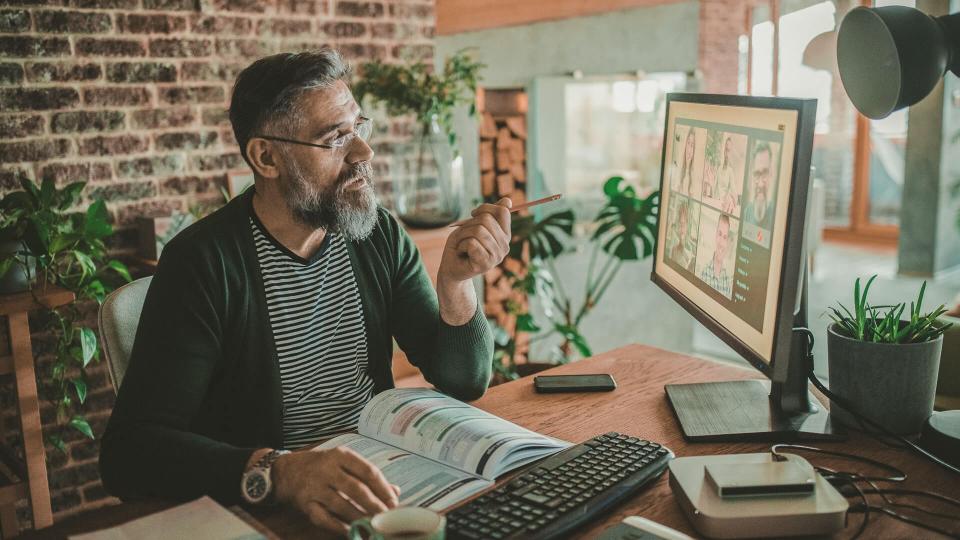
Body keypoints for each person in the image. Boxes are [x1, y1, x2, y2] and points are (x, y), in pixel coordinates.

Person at [99, 49, 509, 536]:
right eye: (336, 138)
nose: (363, 154)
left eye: (359, 128)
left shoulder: (376, 234)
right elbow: (129, 453)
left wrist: (456, 284)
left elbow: (463, 382)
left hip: (378, 485)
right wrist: (279, 472)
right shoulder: (202, 263)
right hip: (274, 511)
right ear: (266, 157)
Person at [744, 142, 775, 230]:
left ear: (771, 175)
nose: (761, 184)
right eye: (757, 174)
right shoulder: (746, 213)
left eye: (765, 173)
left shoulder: (776, 216)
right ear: (752, 177)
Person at [699, 214, 732, 296]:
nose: (721, 242)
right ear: (715, 235)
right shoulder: (704, 273)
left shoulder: (727, 281)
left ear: (727, 242)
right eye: (720, 234)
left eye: (724, 237)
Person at [669, 200, 696, 272]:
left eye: (684, 224)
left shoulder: (693, 253)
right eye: (680, 224)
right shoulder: (674, 250)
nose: (681, 228)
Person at [715, 136, 738, 213]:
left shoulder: (730, 171)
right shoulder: (719, 168)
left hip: (724, 206)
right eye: (725, 149)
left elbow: (735, 196)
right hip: (716, 203)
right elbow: (715, 190)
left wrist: (731, 198)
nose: (726, 153)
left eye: (728, 150)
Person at [672, 128, 697, 196]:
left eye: (692, 145)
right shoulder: (677, 167)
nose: (689, 149)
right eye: (688, 143)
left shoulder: (693, 174)